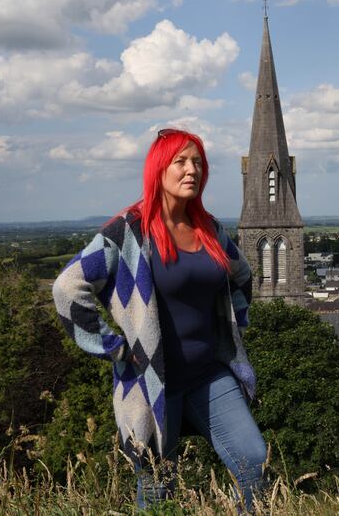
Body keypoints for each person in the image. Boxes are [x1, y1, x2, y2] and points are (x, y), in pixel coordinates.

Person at [52, 128, 267, 512]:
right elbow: (67, 288)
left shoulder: (210, 228)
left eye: (198, 162)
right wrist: (112, 346)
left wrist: (233, 329)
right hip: (151, 383)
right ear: (158, 169)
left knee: (253, 461)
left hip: (209, 374)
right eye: (180, 161)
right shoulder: (129, 231)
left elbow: (242, 275)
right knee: (157, 491)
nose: (192, 170)